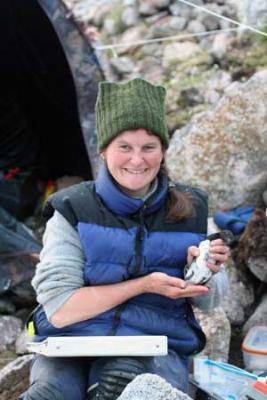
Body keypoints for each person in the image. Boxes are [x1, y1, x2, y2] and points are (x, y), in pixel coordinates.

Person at [20, 78, 229, 400]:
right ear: (103, 150)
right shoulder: (72, 208)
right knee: (52, 393)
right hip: (69, 342)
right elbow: (60, 310)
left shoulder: (192, 209)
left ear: (163, 151)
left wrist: (204, 271)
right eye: (124, 147)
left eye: (148, 147)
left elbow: (211, 300)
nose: (137, 160)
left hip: (157, 345)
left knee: (125, 384)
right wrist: (143, 285)